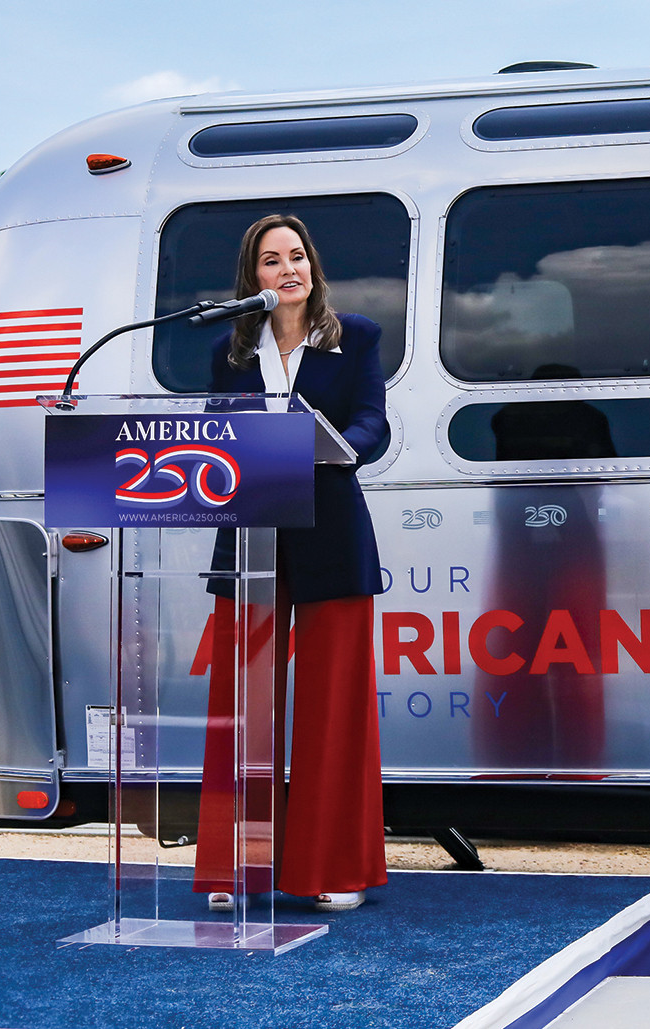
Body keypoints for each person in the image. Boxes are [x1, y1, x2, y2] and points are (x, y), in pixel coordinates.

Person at [192, 213, 389, 913]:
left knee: (335, 711)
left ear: (314, 267)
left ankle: (331, 866)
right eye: (272, 261)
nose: (288, 270)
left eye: (298, 256)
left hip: (331, 533)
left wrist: (337, 443)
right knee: (242, 712)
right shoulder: (231, 350)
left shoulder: (354, 336)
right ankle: (236, 867)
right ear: (253, 278)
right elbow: (216, 430)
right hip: (250, 535)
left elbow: (373, 420)